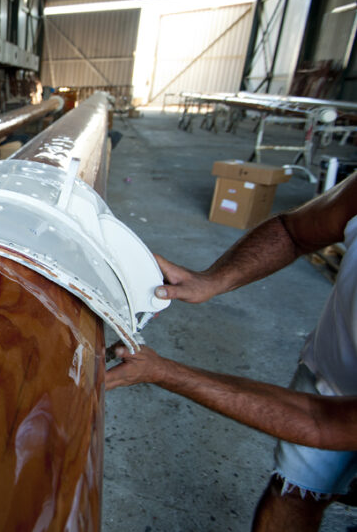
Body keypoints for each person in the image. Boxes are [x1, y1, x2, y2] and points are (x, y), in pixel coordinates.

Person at [107, 171, 357, 531]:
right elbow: (293, 231)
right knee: (297, 490)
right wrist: (212, 280)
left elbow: (322, 423)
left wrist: (161, 371)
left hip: (329, 414)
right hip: (330, 374)